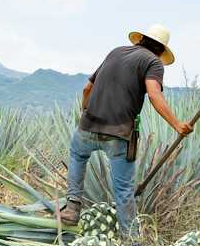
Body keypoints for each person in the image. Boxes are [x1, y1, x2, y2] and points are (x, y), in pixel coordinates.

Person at [62, 25, 191, 235]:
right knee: (123, 190)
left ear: (141, 39)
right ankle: (131, 242)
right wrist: (177, 124)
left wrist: (85, 110)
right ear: (161, 50)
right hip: (119, 133)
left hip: (87, 126)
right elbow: (155, 95)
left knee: (78, 155)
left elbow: (87, 88)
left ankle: (72, 207)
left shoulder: (116, 52)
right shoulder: (153, 62)